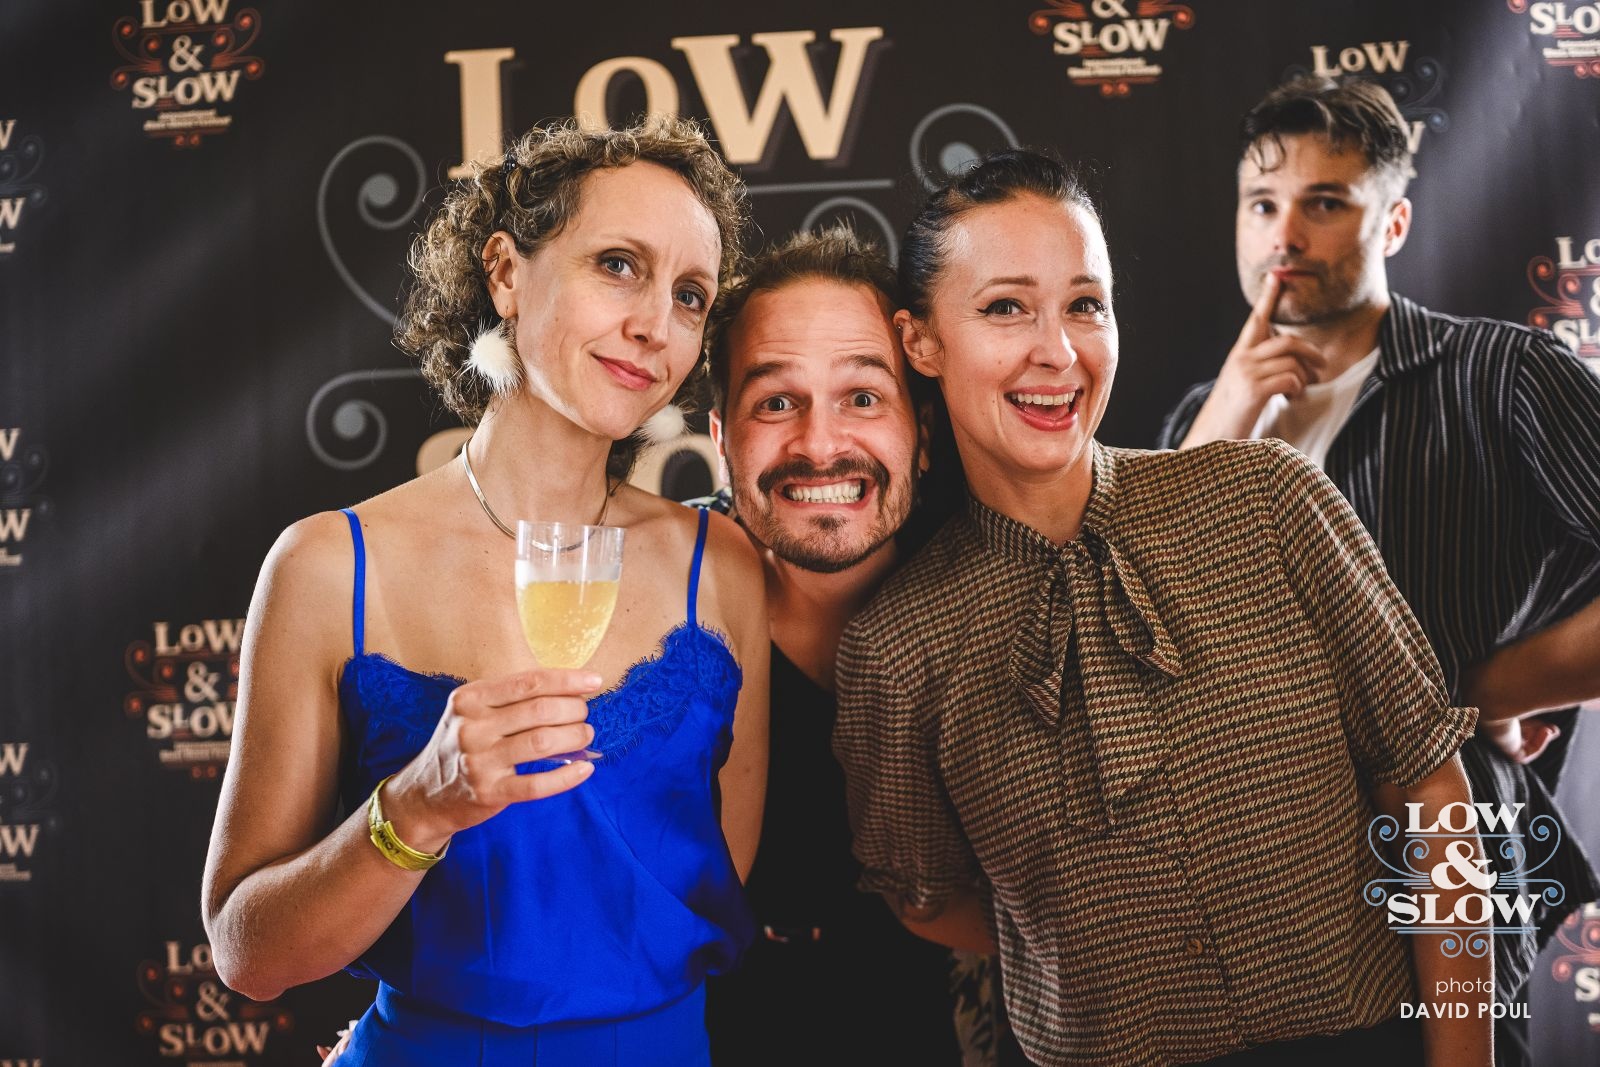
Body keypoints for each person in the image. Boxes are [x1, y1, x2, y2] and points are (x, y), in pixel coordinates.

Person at [833, 149, 1492, 1066]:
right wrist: (1078, 941)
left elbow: (1432, 790)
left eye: (1085, 304)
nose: (1058, 352)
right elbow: (927, 897)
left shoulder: (1266, 497)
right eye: (1006, 308)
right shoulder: (897, 645)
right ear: (922, 343)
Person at [201, 117, 769, 1066]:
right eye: (618, 265)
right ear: (505, 272)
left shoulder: (722, 566)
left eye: (690, 296)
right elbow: (245, 952)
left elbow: (722, 873)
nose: (655, 325)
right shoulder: (330, 565)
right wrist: (414, 809)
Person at [1156, 76, 1600, 1064]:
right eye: (1262, 204)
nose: (1284, 235)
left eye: (1325, 202)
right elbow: (1132, 663)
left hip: (1438, 883)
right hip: (1240, 902)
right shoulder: (1199, 417)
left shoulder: (1500, 377)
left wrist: (1487, 686)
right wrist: (1216, 429)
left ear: (1393, 222)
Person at [695, 226, 999, 1065]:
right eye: (775, 402)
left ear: (923, 432)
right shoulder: (658, 607)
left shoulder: (1000, 601)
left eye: (863, 397)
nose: (820, 444)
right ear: (720, 438)